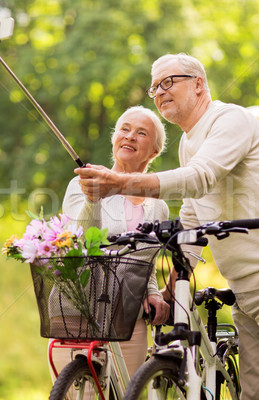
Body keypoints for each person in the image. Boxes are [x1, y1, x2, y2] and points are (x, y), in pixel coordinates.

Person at [75, 53, 259, 400]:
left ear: (198, 84)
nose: (159, 92)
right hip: (244, 288)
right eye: (154, 87)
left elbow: (201, 177)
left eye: (168, 82)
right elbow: (192, 218)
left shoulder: (230, 119)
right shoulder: (190, 144)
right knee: (253, 394)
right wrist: (172, 285)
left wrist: (120, 183)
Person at [51, 105, 171, 381]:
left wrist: (152, 291)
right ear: (114, 138)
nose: (129, 136)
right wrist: (94, 198)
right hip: (78, 310)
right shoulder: (80, 184)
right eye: (124, 129)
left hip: (129, 320)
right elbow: (78, 245)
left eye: (141, 133)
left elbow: (146, 263)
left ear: (153, 151)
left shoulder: (159, 206)